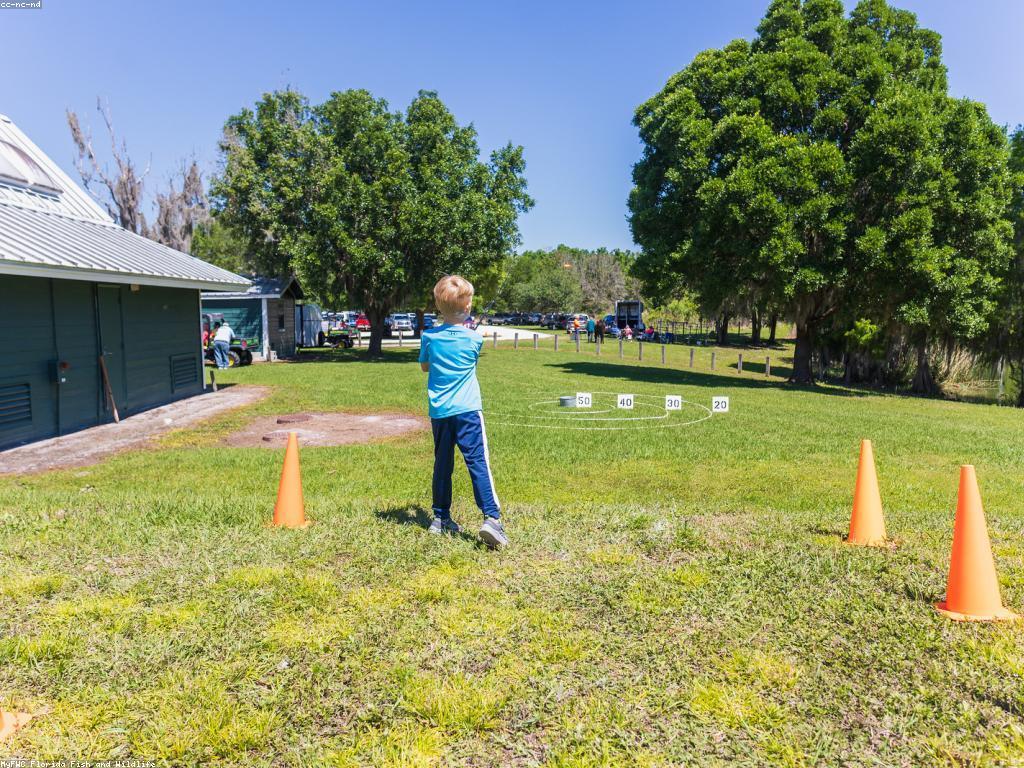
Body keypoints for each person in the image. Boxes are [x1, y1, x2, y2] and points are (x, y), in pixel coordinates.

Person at [419, 275, 507, 549]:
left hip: (440, 412)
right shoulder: (474, 340)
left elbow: (425, 367)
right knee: (478, 462)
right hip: (468, 411)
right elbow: (470, 355)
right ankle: (491, 518)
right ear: (467, 308)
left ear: (437, 306)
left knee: (442, 464)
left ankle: (440, 517)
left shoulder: (428, 337)